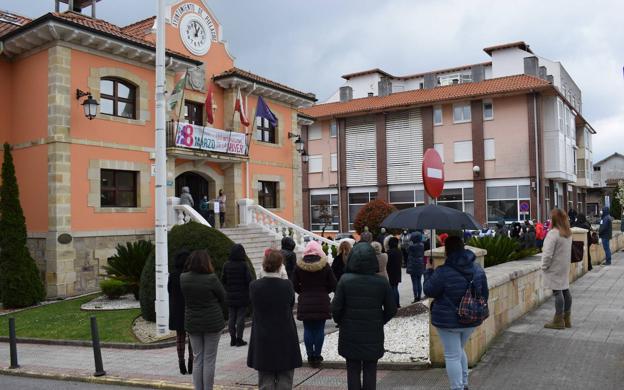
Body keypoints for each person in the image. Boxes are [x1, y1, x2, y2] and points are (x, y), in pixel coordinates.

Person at [423, 236, 489, 390]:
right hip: (471, 318)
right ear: (463, 247)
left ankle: (457, 387)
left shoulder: (442, 272)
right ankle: (464, 383)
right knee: (459, 350)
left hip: (448, 322)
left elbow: (429, 290)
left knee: (452, 355)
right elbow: (484, 294)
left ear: (447, 251)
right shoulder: (478, 269)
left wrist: (428, 272)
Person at [331, 242, 397, 390]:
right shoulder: (381, 282)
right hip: (372, 332)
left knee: (352, 370)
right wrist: (379, 320)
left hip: (350, 332)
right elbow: (391, 309)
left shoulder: (345, 280)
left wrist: (341, 321)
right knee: (370, 370)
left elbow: (336, 308)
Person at [247, 250, 302, 390]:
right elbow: (290, 303)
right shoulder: (287, 285)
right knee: (285, 379)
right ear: (280, 265)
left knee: (265, 380)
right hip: (285, 335)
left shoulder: (254, 286)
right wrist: (284, 277)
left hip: (263, 336)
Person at [180, 250, 226, 390]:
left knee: (197, 358)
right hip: (212, 322)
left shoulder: (183, 278)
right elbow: (223, 296)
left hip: (192, 322)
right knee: (209, 359)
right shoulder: (211, 278)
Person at [292, 240, 337, 366]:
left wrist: (303, 292)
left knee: (308, 329)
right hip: (322, 300)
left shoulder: (299, 266)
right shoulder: (325, 265)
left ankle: (310, 355)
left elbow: (294, 284)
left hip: (305, 300)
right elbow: (334, 284)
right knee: (319, 330)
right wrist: (324, 291)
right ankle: (317, 355)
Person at [541, 208, 573, 330]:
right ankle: (567, 318)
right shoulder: (568, 233)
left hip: (554, 267)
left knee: (557, 292)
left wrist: (544, 266)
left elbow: (547, 254)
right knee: (565, 290)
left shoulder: (553, 234)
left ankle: (558, 320)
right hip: (564, 267)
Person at [221, 244, 252, 347]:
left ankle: (232, 339)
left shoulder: (226, 264)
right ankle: (239, 339)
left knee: (231, 317)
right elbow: (249, 280)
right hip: (242, 295)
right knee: (240, 317)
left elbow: (223, 280)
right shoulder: (244, 265)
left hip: (230, 295)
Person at [168, 249, 193, 375]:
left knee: (180, 337)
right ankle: (191, 361)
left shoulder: (172, 275)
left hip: (176, 309)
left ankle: (181, 362)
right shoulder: (190, 275)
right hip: (189, 308)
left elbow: (169, 291)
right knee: (192, 336)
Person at [407, 232, 425, 303]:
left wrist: (410, 244)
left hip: (413, 265)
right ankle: (420, 296)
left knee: (414, 282)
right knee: (419, 281)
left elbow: (407, 250)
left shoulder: (412, 246)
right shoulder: (422, 245)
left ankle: (415, 297)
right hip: (420, 263)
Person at [386, 237, 403, 308]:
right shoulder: (399, 251)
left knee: (392, 288)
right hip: (398, 271)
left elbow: (387, 264)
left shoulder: (388, 252)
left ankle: (393, 304)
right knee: (395, 288)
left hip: (390, 272)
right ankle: (397, 304)